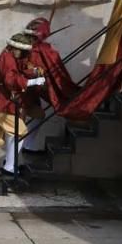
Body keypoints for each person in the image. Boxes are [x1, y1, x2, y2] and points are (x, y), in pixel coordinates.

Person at [0, 33, 45, 191]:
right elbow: (10, 79)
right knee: (19, 131)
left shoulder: (9, 57)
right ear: (15, 47)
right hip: (0, 102)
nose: (20, 54)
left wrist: (33, 72)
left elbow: (19, 70)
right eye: (19, 50)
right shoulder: (6, 58)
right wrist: (32, 81)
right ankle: (9, 166)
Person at [20, 17, 79, 154]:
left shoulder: (36, 48)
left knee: (38, 115)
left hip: (29, 87)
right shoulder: (41, 50)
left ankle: (27, 147)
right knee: (17, 125)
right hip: (20, 88)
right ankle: (10, 162)